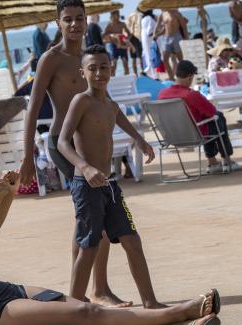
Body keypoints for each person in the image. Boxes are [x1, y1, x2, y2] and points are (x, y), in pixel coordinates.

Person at [0, 171, 221, 325]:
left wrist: (7, 196)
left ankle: (178, 320)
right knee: (87, 316)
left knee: (80, 309)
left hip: (1, 291)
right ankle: (181, 313)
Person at [21, 0, 145, 308]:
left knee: (87, 219)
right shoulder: (51, 59)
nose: (75, 24)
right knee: (93, 218)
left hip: (90, 146)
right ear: (58, 22)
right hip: (63, 145)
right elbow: (33, 108)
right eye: (68, 20)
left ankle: (90, 291)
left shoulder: (92, 56)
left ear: (87, 20)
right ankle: (94, 291)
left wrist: (138, 137)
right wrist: (26, 156)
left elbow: (108, 101)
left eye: (80, 18)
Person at [58, 44, 166, 309]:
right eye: (92, 68)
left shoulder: (110, 103)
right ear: (82, 72)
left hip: (109, 185)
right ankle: (73, 309)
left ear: (111, 69)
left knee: (132, 240)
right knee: (89, 246)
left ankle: (150, 302)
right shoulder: (80, 101)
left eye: (103, 67)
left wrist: (140, 140)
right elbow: (62, 141)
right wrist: (84, 167)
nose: (98, 73)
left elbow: (118, 118)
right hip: (86, 185)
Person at [158, 60, 242, 173]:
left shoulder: (162, 95)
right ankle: (227, 160)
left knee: (207, 121)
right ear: (189, 77)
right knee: (218, 117)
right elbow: (212, 112)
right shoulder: (191, 95)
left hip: (172, 137)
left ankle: (213, 163)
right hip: (193, 135)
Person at [154, 9, 188, 80]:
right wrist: (155, 34)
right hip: (166, 38)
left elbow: (184, 26)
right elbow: (159, 27)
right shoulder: (162, 14)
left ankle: (182, 77)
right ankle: (171, 78)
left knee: (180, 60)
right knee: (165, 59)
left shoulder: (176, 13)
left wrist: (186, 38)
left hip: (176, 37)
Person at [103, 10, 131, 76]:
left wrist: (126, 40)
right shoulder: (109, 25)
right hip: (113, 45)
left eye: (119, 14)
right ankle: (112, 81)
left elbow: (129, 34)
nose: (118, 16)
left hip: (122, 44)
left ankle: (127, 80)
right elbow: (103, 36)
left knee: (125, 63)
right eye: (117, 14)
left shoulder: (122, 24)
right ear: (112, 15)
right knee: (114, 64)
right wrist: (111, 37)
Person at [140, 9, 157, 78]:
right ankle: (153, 75)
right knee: (150, 55)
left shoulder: (143, 19)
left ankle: (149, 73)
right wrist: (155, 34)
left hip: (143, 37)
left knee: (146, 55)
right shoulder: (149, 18)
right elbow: (149, 31)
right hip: (148, 38)